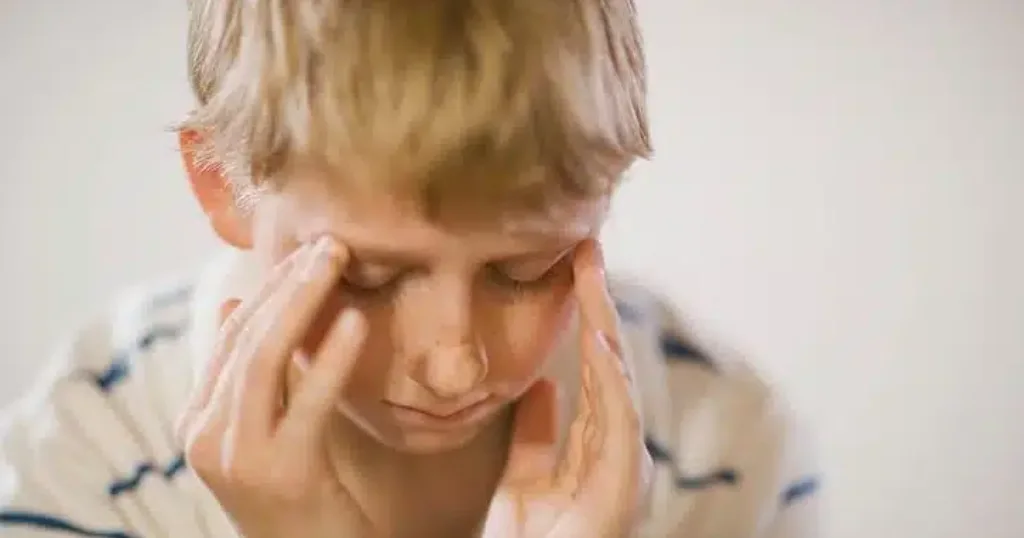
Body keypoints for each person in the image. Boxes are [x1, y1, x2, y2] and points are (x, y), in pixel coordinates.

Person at [0, 0, 820, 536]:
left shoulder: (725, 449)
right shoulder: (90, 458)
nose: (454, 360)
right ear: (223, 184)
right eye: (367, 275)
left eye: (529, 268)